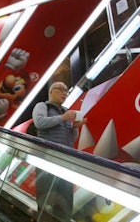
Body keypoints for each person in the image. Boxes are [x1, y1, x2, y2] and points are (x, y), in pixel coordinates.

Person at [32, 81, 87, 222]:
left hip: (66, 161)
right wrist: (63, 118)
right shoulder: (42, 106)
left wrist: (74, 127)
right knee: (47, 199)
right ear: (51, 92)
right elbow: (39, 122)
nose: (65, 93)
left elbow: (72, 138)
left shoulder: (65, 111)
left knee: (65, 200)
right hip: (47, 160)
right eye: (61, 89)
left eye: (66, 90)